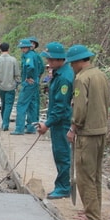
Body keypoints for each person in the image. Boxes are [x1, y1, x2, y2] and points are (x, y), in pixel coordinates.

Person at [65, 45, 109, 220]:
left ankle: (92, 215)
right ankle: (93, 210)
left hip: (87, 132)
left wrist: (73, 128)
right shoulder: (101, 75)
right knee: (95, 174)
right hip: (101, 129)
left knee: (84, 175)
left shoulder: (82, 79)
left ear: (77, 62)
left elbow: (80, 107)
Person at [36, 42, 74, 199]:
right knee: (59, 153)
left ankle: (64, 187)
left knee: (62, 154)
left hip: (62, 122)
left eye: (51, 60)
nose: (49, 63)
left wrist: (47, 124)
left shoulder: (64, 78)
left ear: (60, 60)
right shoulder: (58, 74)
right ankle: (61, 184)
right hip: (58, 120)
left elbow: (61, 106)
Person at [11, 39, 40, 135]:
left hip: (29, 84)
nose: (22, 49)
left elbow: (30, 67)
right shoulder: (34, 55)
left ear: (28, 47)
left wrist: (29, 77)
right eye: (22, 48)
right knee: (32, 105)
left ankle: (19, 128)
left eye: (24, 47)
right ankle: (31, 128)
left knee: (21, 105)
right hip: (35, 83)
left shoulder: (29, 56)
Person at [0, 42, 20, 131]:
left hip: (1, 86)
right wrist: (17, 82)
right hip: (11, 86)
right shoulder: (13, 60)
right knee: (9, 104)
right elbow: (17, 74)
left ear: (0, 49)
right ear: (8, 49)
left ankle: (4, 122)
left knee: (3, 103)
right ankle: (5, 123)